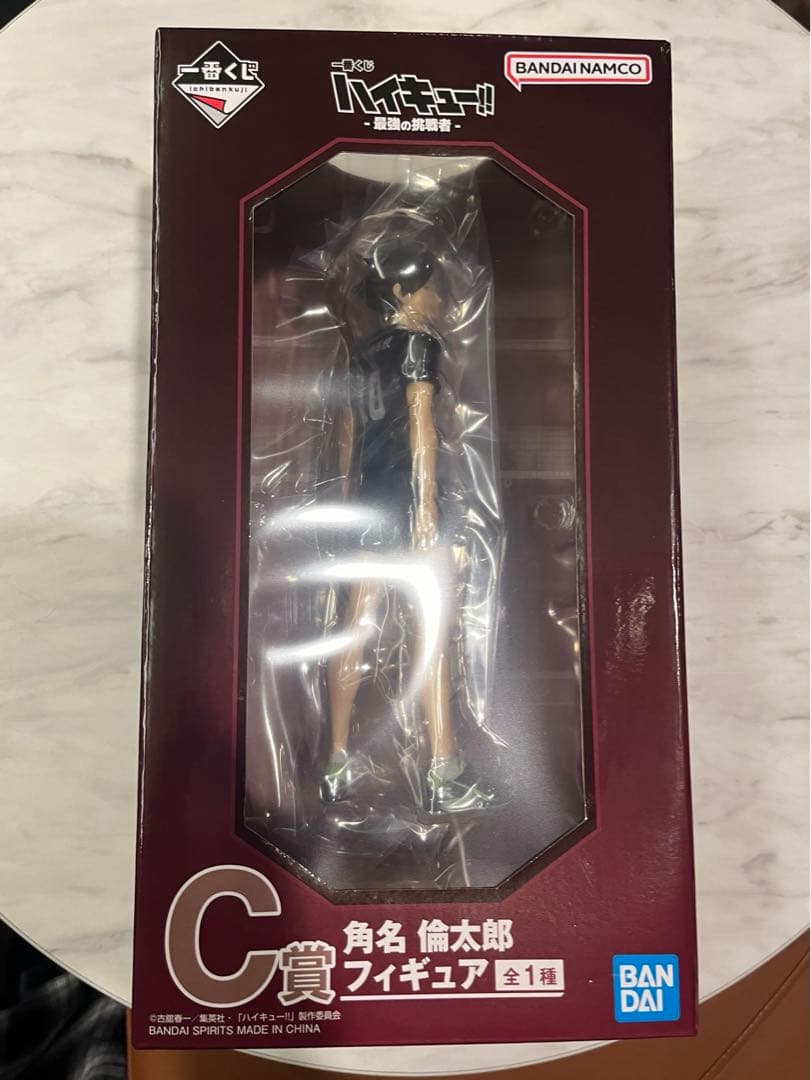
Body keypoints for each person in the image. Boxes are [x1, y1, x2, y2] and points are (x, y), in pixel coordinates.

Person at [320, 234, 494, 814]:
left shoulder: (361, 354)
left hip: (369, 503)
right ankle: (443, 769)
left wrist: (351, 501)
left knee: (355, 625)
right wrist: (426, 504)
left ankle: (337, 761)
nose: (440, 297)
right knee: (432, 631)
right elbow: (422, 422)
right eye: (430, 287)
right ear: (402, 292)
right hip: (410, 502)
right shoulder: (419, 344)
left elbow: (347, 438)